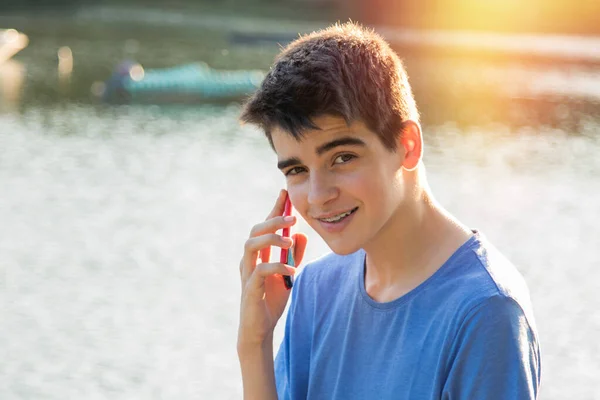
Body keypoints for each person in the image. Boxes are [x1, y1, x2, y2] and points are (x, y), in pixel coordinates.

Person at [236, 22, 541, 400]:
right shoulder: (314, 290)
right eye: (297, 170)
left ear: (407, 145)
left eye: (342, 158)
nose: (318, 196)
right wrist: (254, 344)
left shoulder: (486, 311)